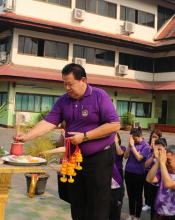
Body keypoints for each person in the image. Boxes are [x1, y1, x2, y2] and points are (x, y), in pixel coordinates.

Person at [14, 63, 120, 220]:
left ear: (83, 80)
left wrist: (85, 137)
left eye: (70, 84)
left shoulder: (99, 96)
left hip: (99, 158)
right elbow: (49, 122)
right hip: (73, 159)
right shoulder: (64, 100)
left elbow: (114, 124)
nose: (67, 88)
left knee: (98, 202)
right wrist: (27, 136)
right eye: (64, 84)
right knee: (77, 201)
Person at [146, 146, 175, 220]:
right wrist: (158, 162)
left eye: (168, 160)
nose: (166, 163)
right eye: (164, 160)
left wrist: (162, 164)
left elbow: (168, 184)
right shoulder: (163, 172)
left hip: (174, 216)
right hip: (158, 214)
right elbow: (149, 179)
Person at [124, 128, 150, 220]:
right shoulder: (131, 144)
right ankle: (131, 215)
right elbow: (125, 156)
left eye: (135, 139)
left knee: (138, 195)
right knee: (130, 195)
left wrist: (133, 146)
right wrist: (129, 144)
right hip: (128, 171)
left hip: (139, 173)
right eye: (133, 139)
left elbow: (139, 158)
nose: (134, 141)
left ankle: (137, 216)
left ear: (140, 136)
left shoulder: (146, 146)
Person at [144, 137, 167, 220]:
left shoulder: (168, 157)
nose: (158, 151)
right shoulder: (152, 155)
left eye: (160, 149)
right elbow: (146, 165)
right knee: (153, 206)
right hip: (153, 183)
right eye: (156, 148)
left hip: (163, 186)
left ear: (165, 147)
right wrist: (154, 155)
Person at [143, 129, 162, 213]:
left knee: (155, 191)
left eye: (156, 137)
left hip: (157, 173)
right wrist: (151, 148)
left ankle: (154, 204)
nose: (154, 138)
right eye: (153, 136)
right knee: (147, 189)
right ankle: (148, 204)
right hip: (148, 171)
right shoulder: (147, 146)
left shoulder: (161, 148)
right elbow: (146, 163)